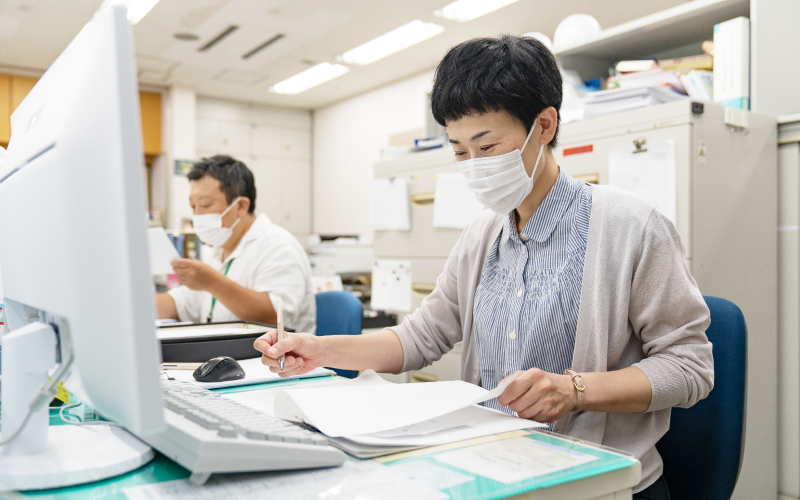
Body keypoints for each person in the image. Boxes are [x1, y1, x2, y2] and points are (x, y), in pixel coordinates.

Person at [254, 35, 713, 499]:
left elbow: (690, 367)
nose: (473, 166)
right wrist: (320, 350)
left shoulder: (631, 226)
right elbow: (420, 337)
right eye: (458, 151)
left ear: (545, 125)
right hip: (492, 465)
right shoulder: (481, 235)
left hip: (595, 480)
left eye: (487, 146)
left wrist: (575, 389)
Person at [156, 155, 316, 333]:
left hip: (272, 359)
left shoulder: (279, 246)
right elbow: (180, 303)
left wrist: (212, 282)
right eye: (193, 206)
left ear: (240, 206)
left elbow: (276, 317)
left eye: (205, 204)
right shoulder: (218, 252)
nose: (197, 215)